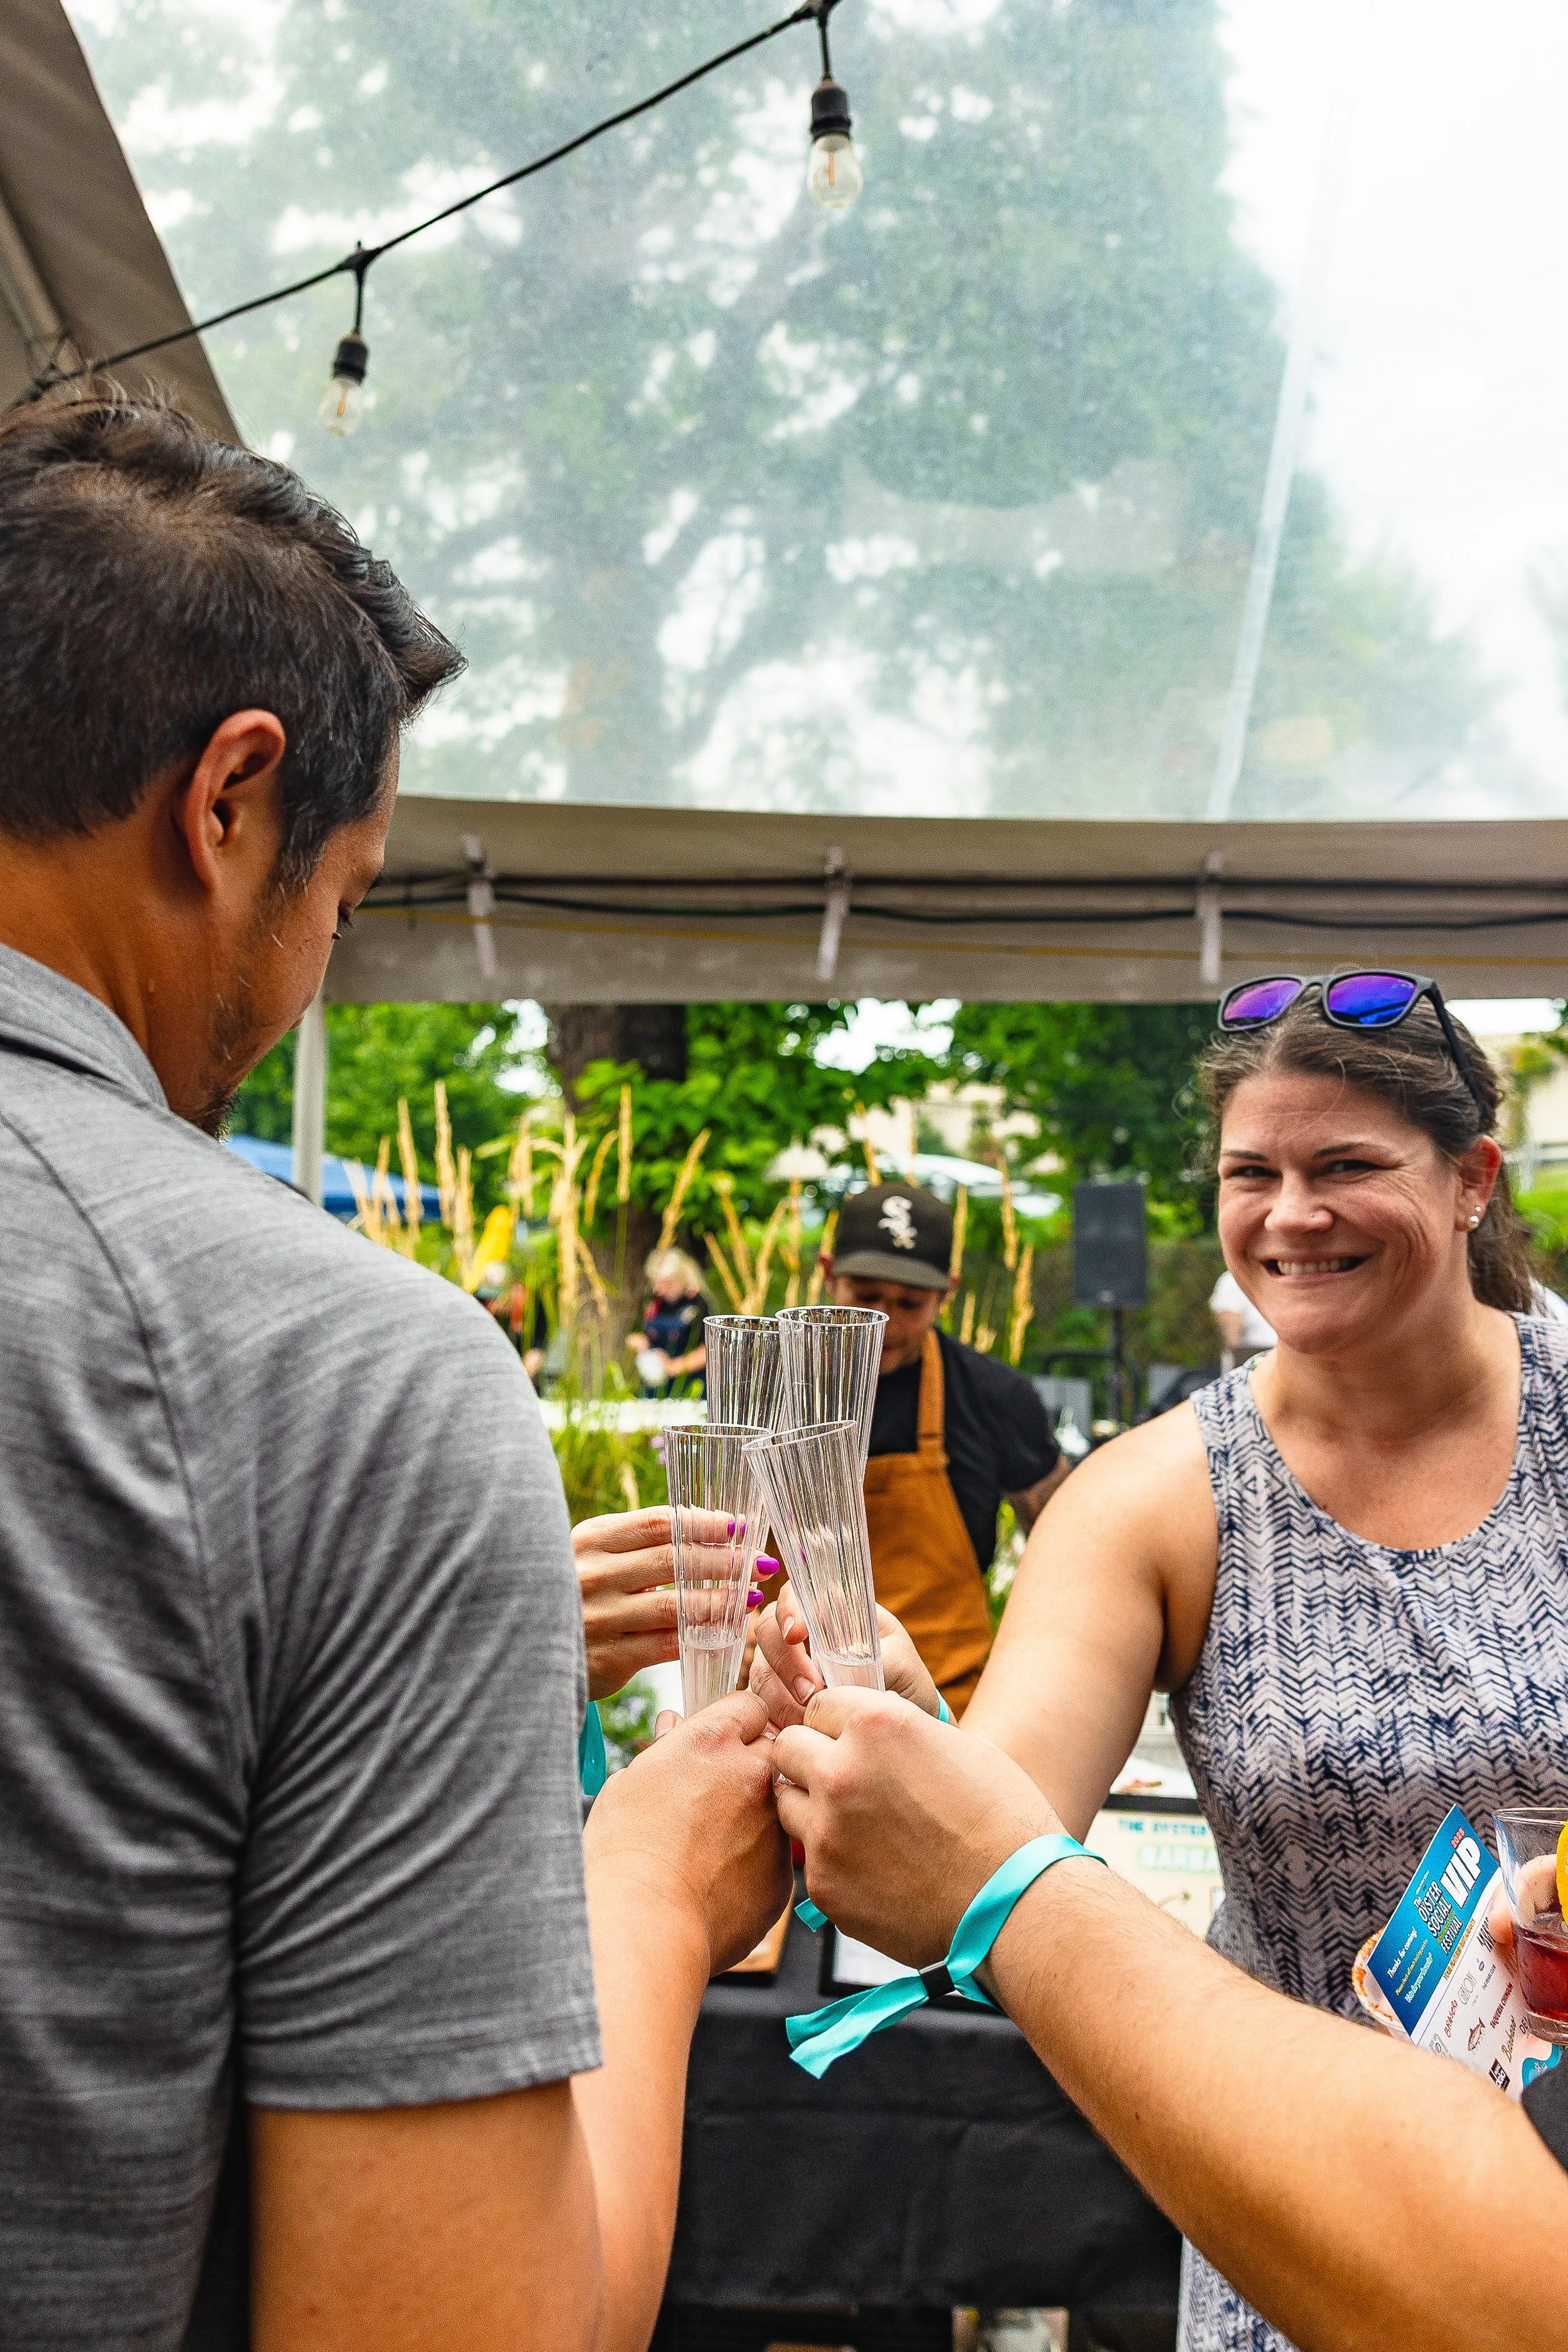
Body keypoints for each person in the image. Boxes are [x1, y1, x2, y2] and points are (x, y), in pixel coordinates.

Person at [0, 391, 787, 2352]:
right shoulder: (337, 1369)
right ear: (231, 801)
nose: (309, 983)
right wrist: (657, 1877)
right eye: (341, 905)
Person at [756, 976, 1568, 2352]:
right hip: (1286, 2201)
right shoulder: (1155, 1496)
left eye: (1344, 1166)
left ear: (1470, 1180)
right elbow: (986, 1842)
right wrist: (892, 1729)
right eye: (1249, 1173)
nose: (1286, 1214)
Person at [762, 1680, 1568, 2352]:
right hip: (1262, 2221)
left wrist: (1012, 1894)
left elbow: (1507, 2271)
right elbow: (1017, 1779)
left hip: (1397, 2208)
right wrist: (924, 1755)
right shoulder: (1155, 1497)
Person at [821, 1181, 1066, 1713]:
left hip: (945, 1717)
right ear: (827, 1273)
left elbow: (1069, 1560)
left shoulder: (994, 1396)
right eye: (866, 1297)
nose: (884, 1322)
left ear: (947, 1293)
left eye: (910, 1303)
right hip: (788, 1710)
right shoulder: (767, 1388)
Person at [628, 1247, 709, 1394]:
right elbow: (634, 1334)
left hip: (689, 1387)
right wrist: (643, 1348)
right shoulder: (651, 1301)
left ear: (680, 1278)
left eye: (665, 1283)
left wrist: (671, 1367)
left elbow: (708, 1351)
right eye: (655, 1282)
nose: (659, 1289)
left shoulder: (698, 1303)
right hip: (653, 1386)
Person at [1207, 1263, 1275, 1367]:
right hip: (1253, 1356)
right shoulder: (1232, 1280)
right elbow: (1230, 1332)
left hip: (1257, 1359)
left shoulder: (1232, 1280)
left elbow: (1230, 1333)